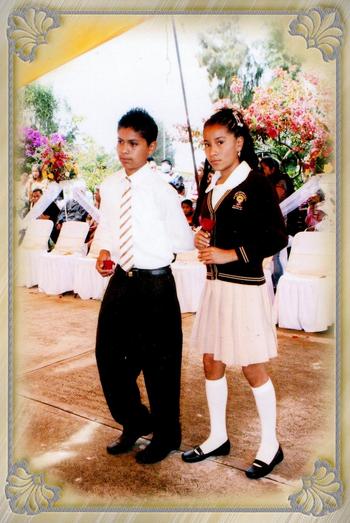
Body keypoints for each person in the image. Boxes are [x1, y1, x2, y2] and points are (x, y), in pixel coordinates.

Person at [181, 108, 288, 479]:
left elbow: (277, 236)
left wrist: (231, 254)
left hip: (244, 289)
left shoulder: (255, 183)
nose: (212, 151)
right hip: (215, 288)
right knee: (212, 361)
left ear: (239, 143)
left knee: (252, 366)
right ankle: (217, 437)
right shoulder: (210, 185)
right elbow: (207, 225)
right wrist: (201, 237)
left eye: (221, 143)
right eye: (208, 144)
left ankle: (270, 445)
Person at [94, 108, 194, 464]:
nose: (124, 150)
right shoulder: (109, 186)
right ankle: (135, 421)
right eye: (120, 142)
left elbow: (182, 240)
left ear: (150, 146)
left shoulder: (162, 190)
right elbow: (107, 228)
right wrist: (105, 252)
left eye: (133, 143)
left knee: (159, 365)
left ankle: (167, 435)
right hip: (121, 280)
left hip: (155, 285)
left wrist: (150, 251)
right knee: (108, 358)